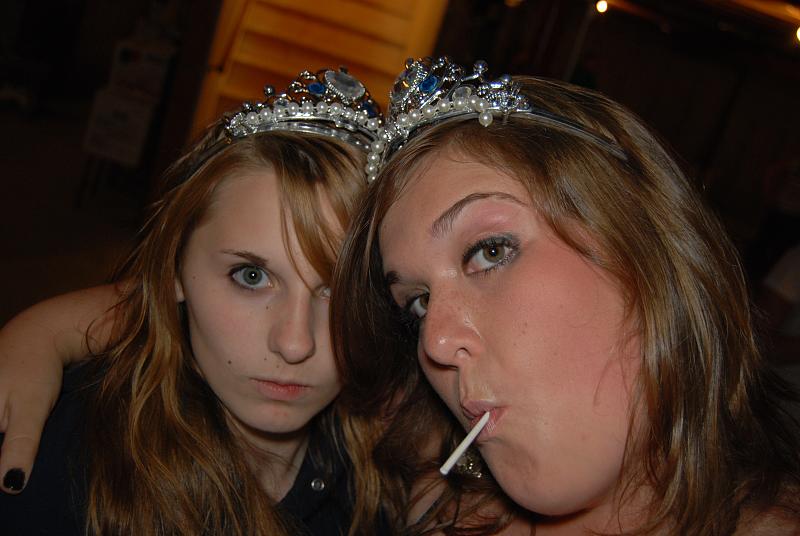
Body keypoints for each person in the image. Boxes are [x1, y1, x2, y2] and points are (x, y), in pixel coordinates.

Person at [331, 57, 800, 534]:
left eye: (490, 251)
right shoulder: (439, 512)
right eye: (419, 302)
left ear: (641, 245)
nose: (436, 342)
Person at [0, 67, 390, 535]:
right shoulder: (66, 465)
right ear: (175, 269)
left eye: (341, 291)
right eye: (251, 276)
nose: (293, 344)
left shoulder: (395, 469)